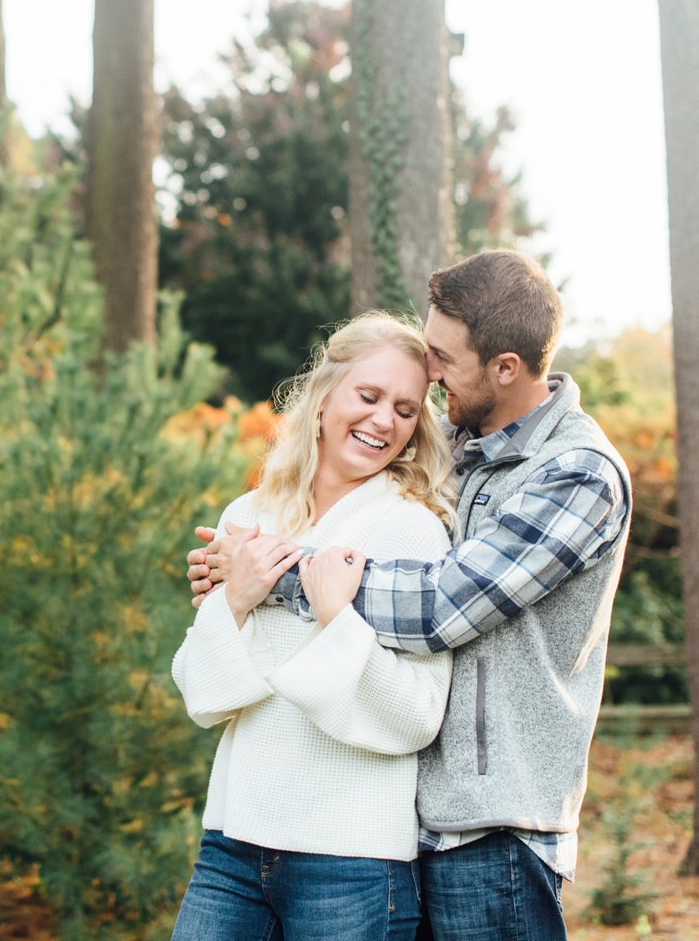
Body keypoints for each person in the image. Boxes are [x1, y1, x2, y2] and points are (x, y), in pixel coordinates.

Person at [189, 250, 632, 941]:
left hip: (495, 822)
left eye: (441, 360)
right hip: (414, 815)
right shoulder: (460, 445)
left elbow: (442, 605)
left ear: (505, 367)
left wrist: (270, 575)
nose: (427, 378)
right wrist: (233, 576)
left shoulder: (577, 472)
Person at [170, 312, 460, 941]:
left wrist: (337, 621)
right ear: (326, 394)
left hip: (351, 861)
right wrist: (237, 600)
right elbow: (202, 695)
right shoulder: (247, 516)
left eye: (406, 409)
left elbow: (417, 716)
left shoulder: (409, 528)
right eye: (369, 395)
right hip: (232, 843)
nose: (385, 419)